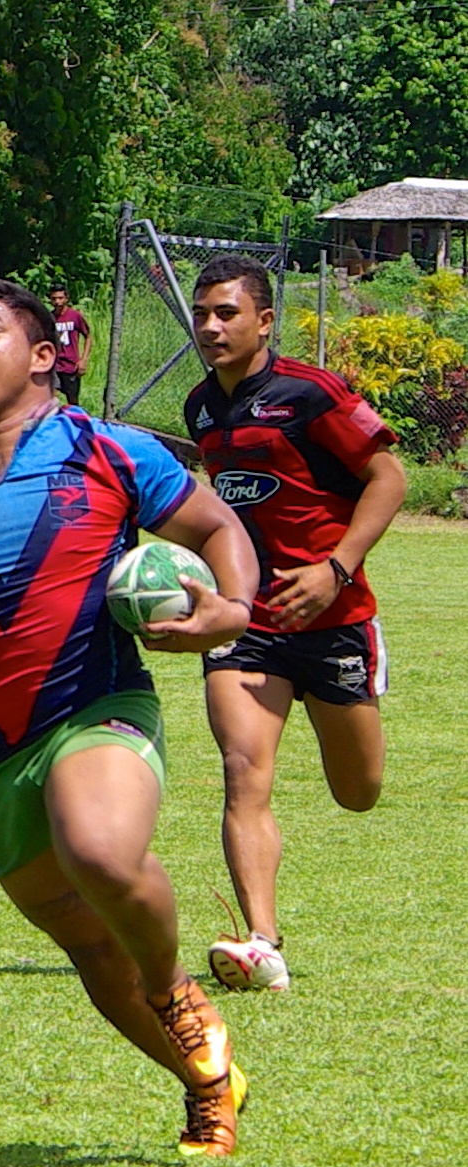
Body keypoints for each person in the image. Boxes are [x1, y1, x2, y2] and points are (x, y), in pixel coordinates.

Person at [0, 278, 258, 1156]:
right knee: (89, 950)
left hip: (98, 704)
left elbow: (217, 524)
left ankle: (174, 993)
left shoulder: (110, 451)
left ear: (43, 357)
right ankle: (205, 1082)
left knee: (99, 850)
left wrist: (231, 608)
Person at [183, 254, 406, 992]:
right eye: (202, 312)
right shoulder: (199, 408)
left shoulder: (310, 395)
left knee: (358, 791)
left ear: (264, 321)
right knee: (242, 771)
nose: (210, 327)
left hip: (335, 618)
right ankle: (261, 941)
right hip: (248, 620)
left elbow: (388, 478)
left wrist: (335, 568)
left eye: (226, 313)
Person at [49, 283, 92, 407]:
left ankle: (74, 422)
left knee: (72, 400)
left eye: (60, 298)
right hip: (55, 364)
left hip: (71, 365)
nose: (57, 302)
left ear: (66, 298)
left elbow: (88, 336)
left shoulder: (75, 316)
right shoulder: (50, 318)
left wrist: (83, 359)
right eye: (54, 298)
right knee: (51, 396)